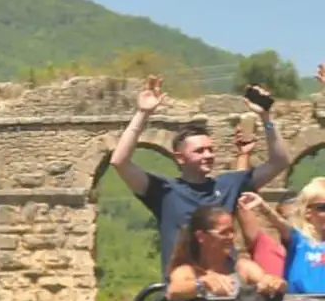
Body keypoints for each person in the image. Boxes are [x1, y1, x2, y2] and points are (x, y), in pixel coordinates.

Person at [107, 74, 293, 266]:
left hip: (225, 288)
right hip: (184, 288)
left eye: (210, 149)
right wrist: (142, 113)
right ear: (179, 157)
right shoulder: (163, 190)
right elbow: (120, 161)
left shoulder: (229, 184)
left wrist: (266, 117)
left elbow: (279, 161)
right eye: (199, 151)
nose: (208, 155)